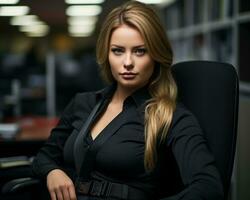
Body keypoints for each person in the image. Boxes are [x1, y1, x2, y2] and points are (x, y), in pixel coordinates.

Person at [32, 1, 224, 200]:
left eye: (140, 51)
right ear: (106, 54)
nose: (128, 62)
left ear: (156, 55)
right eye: (118, 50)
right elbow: (44, 156)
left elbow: (209, 187)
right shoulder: (83, 103)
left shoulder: (170, 116)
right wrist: (52, 172)